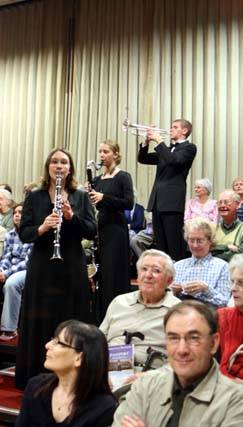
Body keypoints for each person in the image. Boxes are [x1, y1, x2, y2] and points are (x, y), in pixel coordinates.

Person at [15, 148, 97, 389]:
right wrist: (42, 227)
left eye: (63, 162)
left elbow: (92, 230)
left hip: (71, 264)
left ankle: (72, 375)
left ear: (70, 168)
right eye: (54, 162)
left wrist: (72, 217)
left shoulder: (80, 197)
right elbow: (25, 234)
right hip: (42, 265)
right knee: (39, 319)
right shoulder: (35, 196)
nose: (59, 166)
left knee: (70, 317)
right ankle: (35, 375)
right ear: (48, 166)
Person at [112, 301, 243, 427]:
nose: (182, 350)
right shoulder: (145, 386)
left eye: (194, 338)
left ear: (213, 343)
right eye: (173, 338)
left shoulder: (236, 401)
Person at [16, 319, 117, 427]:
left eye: (58, 342)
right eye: (52, 340)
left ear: (79, 358)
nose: (47, 345)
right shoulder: (36, 386)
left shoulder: (104, 407)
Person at [100, 249, 179, 372]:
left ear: (169, 280)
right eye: (144, 269)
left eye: (156, 271)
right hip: (108, 373)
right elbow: (98, 341)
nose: (148, 275)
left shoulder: (178, 311)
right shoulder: (119, 302)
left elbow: (184, 360)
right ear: (137, 275)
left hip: (151, 378)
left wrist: (152, 378)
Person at [138, 119, 196, 261]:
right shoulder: (167, 150)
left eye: (175, 127)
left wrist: (158, 141)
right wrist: (146, 142)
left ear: (184, 131)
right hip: (158, 202)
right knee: (161, 247)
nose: (170, 130)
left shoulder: (189, 148)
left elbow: (174, 161)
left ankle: (178, 278)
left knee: (174, 245)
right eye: (171, 127)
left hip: (172, 203)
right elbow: (143, 158)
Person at [89, 139, 134, 320]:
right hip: (102, 227)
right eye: (100, 151)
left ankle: (118, 315)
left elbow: (128, 203)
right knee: (103, 274)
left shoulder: (123, 176)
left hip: (117, 228)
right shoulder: (97, 179)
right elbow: (97, 204)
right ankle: (102, 315)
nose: (101, 155)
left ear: (116, 154)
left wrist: (103, 197)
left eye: (106, 151)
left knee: (114, 271)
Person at [171, 218, 230, 307]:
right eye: (191, 240)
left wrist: (206, 289)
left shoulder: (222, 267)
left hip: (209, 316)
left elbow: (225, 303)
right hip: (180, 314)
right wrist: (172, 292)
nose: (195, 245)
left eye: (199, 241)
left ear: (210, 241)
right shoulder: (177, 266)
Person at [0, 203, 32, 342]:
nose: (17, 215)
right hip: (10, 269)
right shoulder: (10, 234)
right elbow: (6, 257)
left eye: (20, 212)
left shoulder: (33, 233)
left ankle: (10, 329)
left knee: (11, 283)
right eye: (15, 213)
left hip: (28, 270)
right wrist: (1, 270)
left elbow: (28, 261)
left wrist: (6, 274)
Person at [218, 254, 243, 383]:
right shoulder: (223, 317)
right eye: (232, 281)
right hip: (226, 390)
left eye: (241, 283)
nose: (233, 288)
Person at [212, 190, 243, 261]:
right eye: (220, 203)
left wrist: (216, 250)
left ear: (238, 205)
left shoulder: (241, 228)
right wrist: (227, 247)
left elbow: (241, 254)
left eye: (226, 202)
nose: (222, 205)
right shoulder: (213, 228)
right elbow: (206, 250)